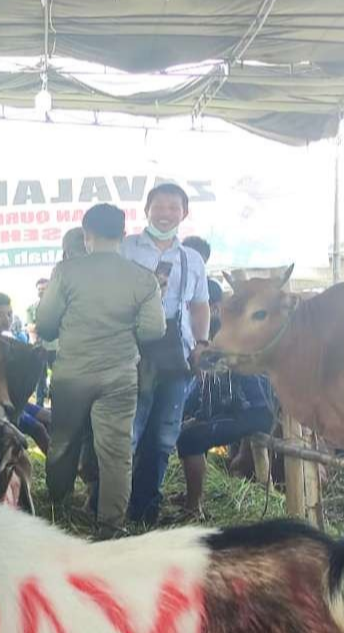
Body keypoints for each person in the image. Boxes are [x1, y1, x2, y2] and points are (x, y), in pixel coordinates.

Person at [35, 204, 165, 527]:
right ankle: (111, 526)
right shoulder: (143, 278)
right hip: (120, 375)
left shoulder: (66, 272)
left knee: (63, 442)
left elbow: (46, 324)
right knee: (117, 454)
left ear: (86, 234)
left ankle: (57, 509)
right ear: (123, 235)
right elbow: (153, 331)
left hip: (71, 375)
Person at [120, 183, 211, 525]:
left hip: (176, 356)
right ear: (146, 209)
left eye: (174, 207)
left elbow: (199, 306)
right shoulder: (126, 250)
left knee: (162, 437)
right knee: (129, 431)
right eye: (160, 206)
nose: (166, 213)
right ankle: (114, 505)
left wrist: (201, 344)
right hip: (132, 352)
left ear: (184, 214)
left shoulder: (191, 259)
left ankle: (145, 508)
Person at [175, 371, 275, 520]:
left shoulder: (229, 353)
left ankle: (193, 509)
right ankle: (193, 496)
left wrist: (200, 416)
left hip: (252, 410)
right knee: (192, 432)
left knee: (189, 439)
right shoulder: (228, 354)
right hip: (247, 406)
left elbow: (225, 393)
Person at [26, 277, 57, 404]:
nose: (41, 291)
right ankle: (39, 407)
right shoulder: (31, 308)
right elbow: (29, 327)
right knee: (40, 381)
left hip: (56, 348)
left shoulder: (57, 306)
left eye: (44, 289)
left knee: (57, 380)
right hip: (39, 348)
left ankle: (57, 407)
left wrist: (38, 326)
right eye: (39, 289)